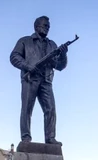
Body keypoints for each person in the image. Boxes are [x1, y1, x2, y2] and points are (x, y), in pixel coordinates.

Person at [10, 15, 69, 146]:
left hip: (46, 81)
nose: (47, 28)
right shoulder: (25, 41)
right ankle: (26, 137)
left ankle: (50, 138)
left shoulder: (52, 45)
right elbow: (14, 57)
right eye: (45, 26)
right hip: (30, 79)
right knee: (27, 108)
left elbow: (60, 66)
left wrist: (64, 55)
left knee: (51, 109)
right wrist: (28, 66)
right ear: (37, 26)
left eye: (48, 27)